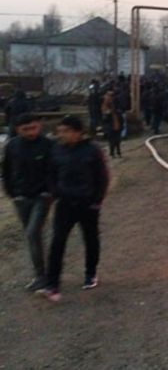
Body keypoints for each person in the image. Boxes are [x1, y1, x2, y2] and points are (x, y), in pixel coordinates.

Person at [39, 115, 109, 302]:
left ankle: (90, 273)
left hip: (87, 203)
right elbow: (51, 174)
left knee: (90, 238)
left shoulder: (92, 151)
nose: (62, 135)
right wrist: (56, 192)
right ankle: (52, 283)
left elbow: (102, 177)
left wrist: (97, 201)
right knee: (57, 243)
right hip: (65, 203)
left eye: (66, 131)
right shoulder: (56, 151)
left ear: (78, 132)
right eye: (60, 131)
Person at [2, 113, 54, 291]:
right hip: (21, 198)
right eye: (26, 129)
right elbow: (7, 170)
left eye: (34, 127)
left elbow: (55, 170)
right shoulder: (12, 146)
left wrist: (50, 192)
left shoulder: (48, 145)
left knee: (33, 233)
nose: (31, 132)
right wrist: (11, 192)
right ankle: (41, 273)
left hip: (42, 197)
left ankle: (41, 276)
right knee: (33, 236)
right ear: (18, 130)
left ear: (39, 126)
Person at [100, 91, 123, 158]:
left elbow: (119, 112)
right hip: (110, 125)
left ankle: (118, 152)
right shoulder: (104, 105)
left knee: (117, 139)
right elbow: (104, 117)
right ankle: (112, 153)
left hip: (117, 123)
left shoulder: (116, 104)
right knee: (112, 140)